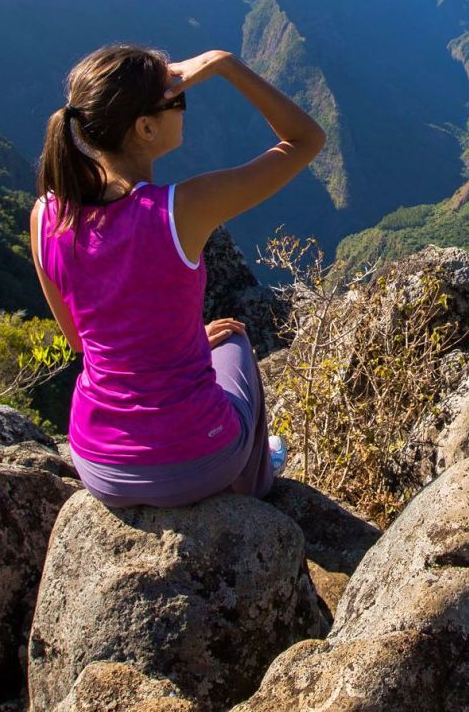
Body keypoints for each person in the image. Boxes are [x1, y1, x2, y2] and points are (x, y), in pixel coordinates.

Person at [30, 45, 323, 508]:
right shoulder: (179, 210)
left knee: (212, 338)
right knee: (235, 341)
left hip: (99, 465)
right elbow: (305, 140)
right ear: (145, 128)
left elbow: (82, 343)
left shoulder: (48, 215)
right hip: (197, 461)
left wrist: (182, 343)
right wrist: (225, 65)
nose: (185, 109)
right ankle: (257, 478)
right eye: (177, 100)